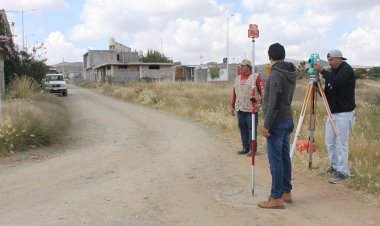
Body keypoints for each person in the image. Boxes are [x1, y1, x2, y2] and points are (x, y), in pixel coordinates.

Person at [258, 43, 297, 209]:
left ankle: (276, 197)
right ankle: (286, 192)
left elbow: (273, 100)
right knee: (284, 157)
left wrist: (266, 124)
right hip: (287, 118)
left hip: (276, 121)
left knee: (275, 161)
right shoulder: (290, 72)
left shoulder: (276, 73)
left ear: (269, 56)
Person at [313, 49, 356, 184]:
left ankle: (343, 172)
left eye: (331, 60)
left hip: (344, 113)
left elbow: (338, 83)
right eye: (329, 60)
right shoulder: (333, 73)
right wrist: (318, 89)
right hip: (332, 112)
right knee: (329, 141)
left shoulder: (347, 70)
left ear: (339, 59)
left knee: (341, 144)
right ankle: (335, 166)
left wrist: (322, 71)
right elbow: (327, 94)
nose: (330, 62)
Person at [231, 59, 265, 157]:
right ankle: (245, 147)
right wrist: (232, 106)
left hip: (251, 110)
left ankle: (252, 149)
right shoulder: (237, 78)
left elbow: (263, 91)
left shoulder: (256, 77)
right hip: (240, 109)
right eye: (240, 65)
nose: (241, 67)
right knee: (242, 128)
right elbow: (234, 93)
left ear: (249, 67)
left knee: (252, 129)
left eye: (243, 65)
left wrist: (260, 101)